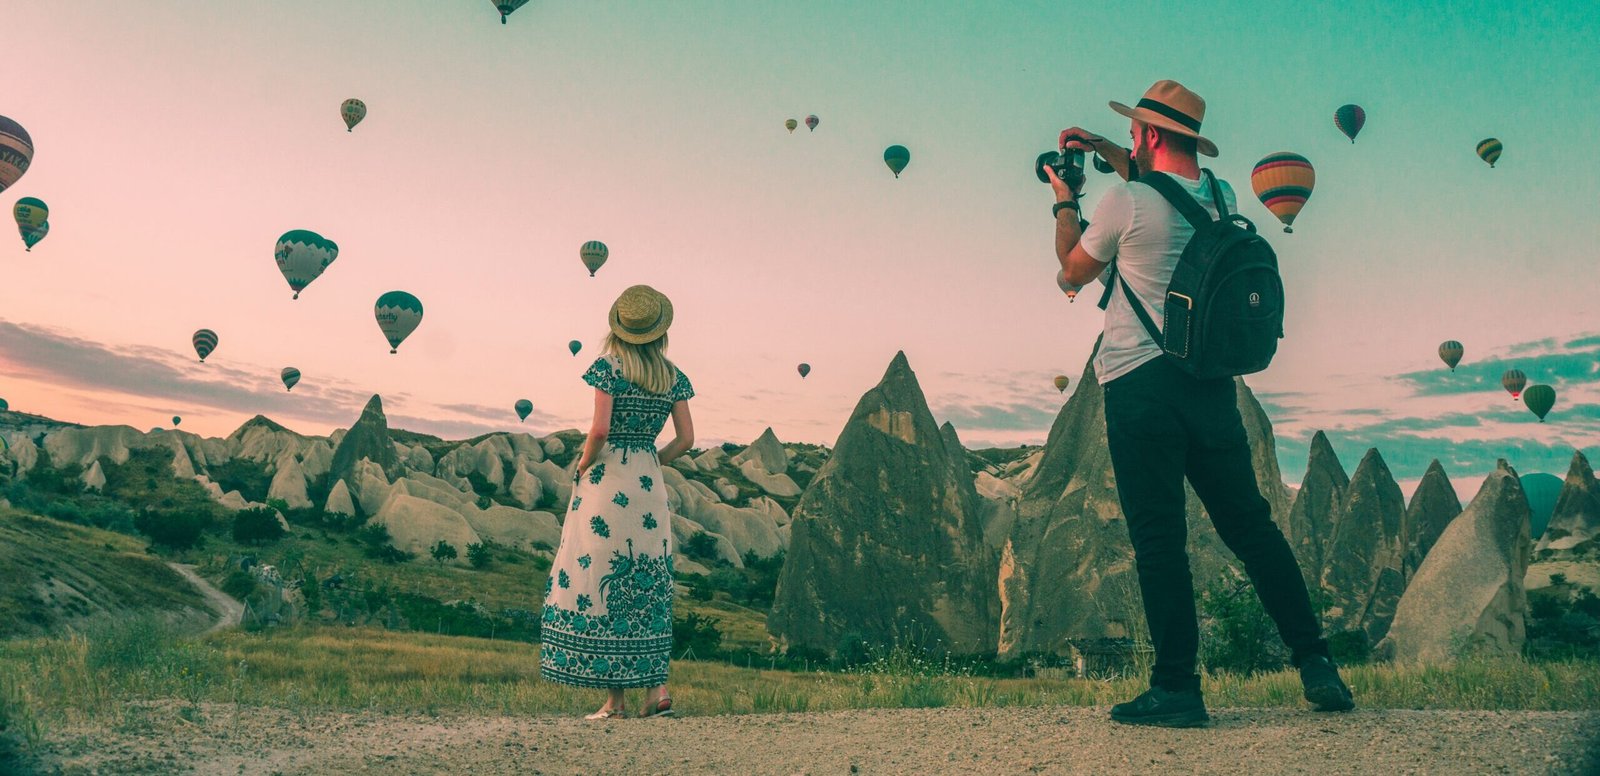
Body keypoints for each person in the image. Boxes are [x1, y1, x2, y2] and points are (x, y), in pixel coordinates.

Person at [1045, 80, 1355, 727]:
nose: (1129, 141)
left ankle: (1178, 688)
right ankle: (1316, 662)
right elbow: (1164, 186)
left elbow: (1072, 272)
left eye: (1133, 132)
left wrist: (1064, 202)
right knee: (1252, 528)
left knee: (1160, 541)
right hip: (1213, 389)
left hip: (1139, 388)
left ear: (1151, 136)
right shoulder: (1221, 198)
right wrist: (1103, 144)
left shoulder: (1122, 203)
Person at [540, 284, 696, 720]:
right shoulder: (673, 375)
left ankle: (615, 702)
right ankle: (657, 691)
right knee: (649, 578)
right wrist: (652, 459)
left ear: (619, 329)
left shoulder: (608, 368)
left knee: (605, 575)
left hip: (608, 484)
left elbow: (600, 430)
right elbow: (687, 439)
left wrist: (581, 466)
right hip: (648, 485)